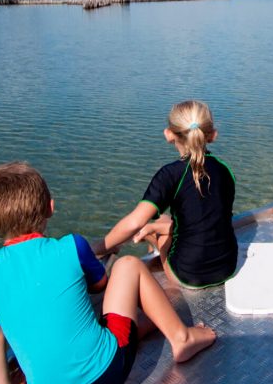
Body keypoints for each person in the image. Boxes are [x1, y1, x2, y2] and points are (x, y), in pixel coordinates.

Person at [0, 162, 215, 384]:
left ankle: (147, 326)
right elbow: (100, 286)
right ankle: (182, 337)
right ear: (50, 208)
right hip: (107, 375)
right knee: (128, 266)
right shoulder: (71, 246)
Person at [99, 100, 238, 288]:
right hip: (227, 266)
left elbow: (134, 222)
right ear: (212, 135)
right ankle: (153, 235)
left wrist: (97, 247)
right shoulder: (224, 170)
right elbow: (207, 219)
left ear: (169, 134)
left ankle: (154, 251)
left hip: (187, 274)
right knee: (161, 221)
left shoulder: (169, 174)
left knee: (155, 223)